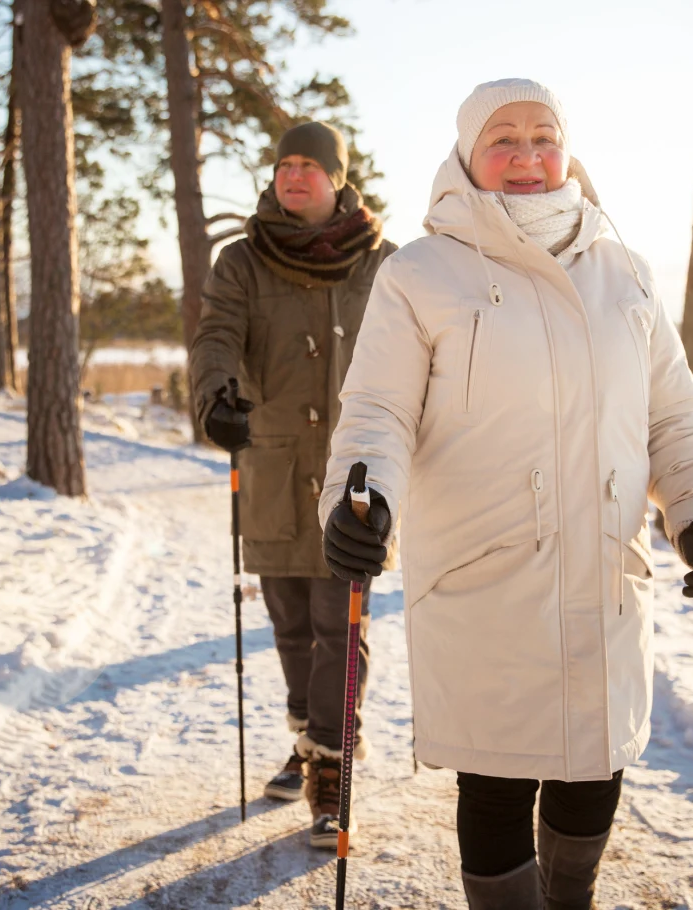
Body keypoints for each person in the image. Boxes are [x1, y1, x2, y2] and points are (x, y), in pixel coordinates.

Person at [319, 80, 693, 908]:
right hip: (485, 575)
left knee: (594, 774)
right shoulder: (422, 273)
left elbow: (673, 419)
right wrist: (359, 499)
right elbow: (378, 413)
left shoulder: (627, 274)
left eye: (543, 137)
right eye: (502, 139)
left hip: (603, 572)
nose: (526, 155)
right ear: (468, 157)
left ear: (567, 151)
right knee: (499, 782)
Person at [189, 120, 398, 849]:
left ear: (339, 177)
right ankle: (308, 736)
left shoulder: (387, 265)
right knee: (287, 620)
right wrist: (217, 394)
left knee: (339, 623)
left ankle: (331, 773)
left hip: (358, 469)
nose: (293, 175)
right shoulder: (242, 261)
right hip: (274, 461)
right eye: (284, 164)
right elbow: (217, 334)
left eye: (310, 164)